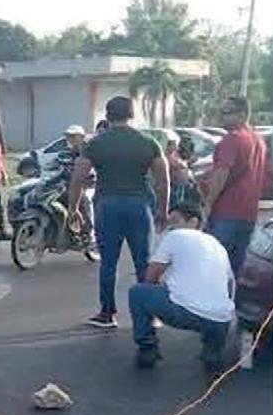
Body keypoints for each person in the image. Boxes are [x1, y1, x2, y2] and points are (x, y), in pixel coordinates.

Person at [69, 96, 170, 329]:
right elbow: (163, 180)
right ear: (131, 114)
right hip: (139, 206)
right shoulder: (149, 142)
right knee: (143, 262)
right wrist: (162, 210)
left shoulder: (95, 144)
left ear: (107, 115)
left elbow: (77, 178)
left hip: (107, 206)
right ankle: (149, 315)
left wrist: (74, 209)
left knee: (108, 263)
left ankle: (107, 313)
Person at [128, 199, 236, 378]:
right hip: (222, 319)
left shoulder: (176, 236)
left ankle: (147, 348)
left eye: (175, 221)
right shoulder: (217, 244)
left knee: (138, 293)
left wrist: (161, 290)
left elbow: (151, 275)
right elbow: (229, 284)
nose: (171, 226)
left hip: (186, 314)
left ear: (194, 222)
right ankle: (212, 354)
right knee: (212, 311)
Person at [204, 96, 268, 276]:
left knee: (216, 268)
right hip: (248, 214)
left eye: (226, 113)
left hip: (226, 212)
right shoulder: (258, 140)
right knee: (235, 270)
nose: (221, 117)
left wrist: (208, 203)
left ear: (242, 115)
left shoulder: (232, 139)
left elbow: (221, 174)